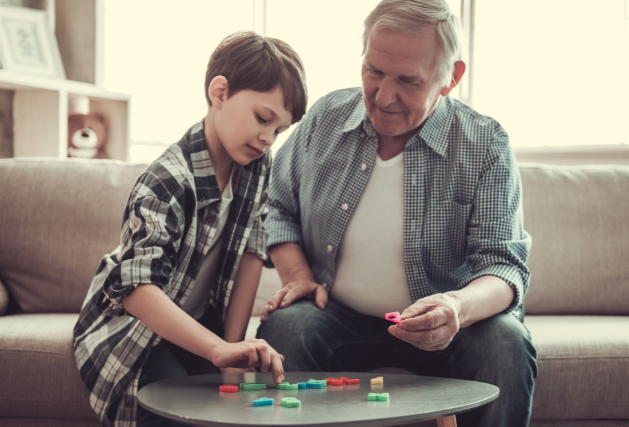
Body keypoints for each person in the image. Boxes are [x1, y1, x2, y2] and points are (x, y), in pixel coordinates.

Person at [256, 1, 537, 426]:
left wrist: (456, 308)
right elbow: (276, 206)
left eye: (408, 80)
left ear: (450, 78)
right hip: (337, 315)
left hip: (450, 326)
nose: (385, 97)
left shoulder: (485, 144)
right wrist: (298, 276)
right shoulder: (324, 120)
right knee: (286, 329)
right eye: (374, 71)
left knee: (506, 343)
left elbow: (504, 266)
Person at [73, 31, 307, 427]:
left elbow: (252, 254)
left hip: (200, 325)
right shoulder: (166, 180)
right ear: (219, 93)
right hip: (136, 331)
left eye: (279, 130)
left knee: (242, 410)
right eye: (263, 118)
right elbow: (138, 291)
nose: (268, 139)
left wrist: (231, 355)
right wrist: (216, 350)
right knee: (178, 413)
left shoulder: (256, 166)